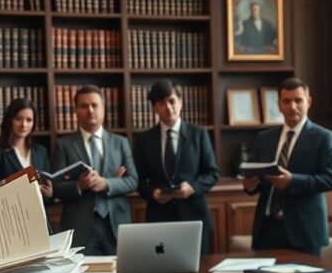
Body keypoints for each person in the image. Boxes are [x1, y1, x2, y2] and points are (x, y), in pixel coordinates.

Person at [243, 77, 332, 256]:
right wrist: (250, 185)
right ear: (279, 105)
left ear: (308, 102)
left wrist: (292, 181)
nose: (292, 106)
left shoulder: (324, 137)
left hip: (304, 231)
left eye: (298, 100)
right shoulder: (264, 138)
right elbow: (257, 176)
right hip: (267, 229)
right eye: (287, 101)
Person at [132, 80, 219, 253]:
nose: (168, 107)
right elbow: (138, 180)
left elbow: (212, 173)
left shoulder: (199, 134)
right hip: (159, 218)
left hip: (194, 216)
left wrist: (192, 188)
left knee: (198, 272)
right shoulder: (143, 140)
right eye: (161, 103)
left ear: (181, 102)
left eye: (172, 101)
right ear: (154, 107)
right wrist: (153, 193)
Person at [51, 85, 138, 255]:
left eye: (94, 105)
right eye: (84, 106)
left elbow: (133, 180)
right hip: (80, 227)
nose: (90, 110)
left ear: (103, 108)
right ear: (76, 111)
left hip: (116, 226)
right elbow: (55, 187)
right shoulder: (63, 145)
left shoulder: (120, 143)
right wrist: (79, 185)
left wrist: (106, 183)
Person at [0, 97, 53, 198]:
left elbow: (48, 190)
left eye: (29, 120)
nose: (23, 124)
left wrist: (49, 195)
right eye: (18, 119)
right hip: (12, 211)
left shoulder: (41, 151)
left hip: (39, 212)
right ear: (9, 120)